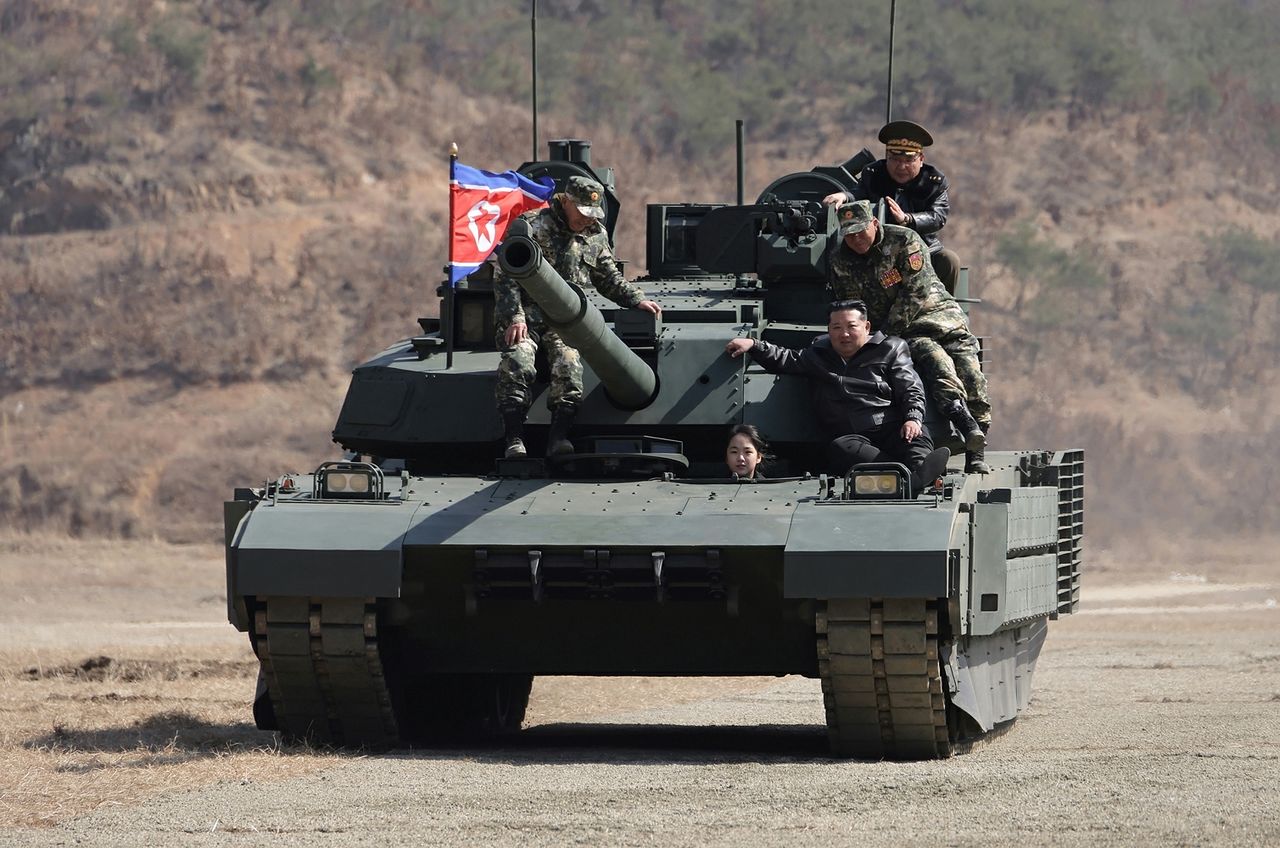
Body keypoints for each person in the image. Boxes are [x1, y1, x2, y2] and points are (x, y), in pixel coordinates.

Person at [494, 175, 661, 458]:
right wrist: (515, 317)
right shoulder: (533, 225)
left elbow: (608, 277)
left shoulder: (595, 234)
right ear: (566, 202)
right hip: (527, 316)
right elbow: (505, 275)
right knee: (517, 360)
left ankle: (558, 438)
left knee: (569, 365)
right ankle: (514, 439)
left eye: (593, 213)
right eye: (583, 212)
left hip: (564, 321)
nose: (587, 219)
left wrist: (636, 298)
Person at [825, 199, 992, 474]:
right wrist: (876, 337)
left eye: (861, 231)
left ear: (874, 224)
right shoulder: (840, 260)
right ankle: (962, 420)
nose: (856, 239)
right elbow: (852, 305)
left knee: (973, 374)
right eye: (849, 234)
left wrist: (884, 335)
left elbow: (915, 292)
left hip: (938, 317)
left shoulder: (904, 241)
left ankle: (976, 448)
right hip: (908, 332)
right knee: (937, 361)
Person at [724, 300, 949, 491]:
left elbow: (910, 387)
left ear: (866, 326)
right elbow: (785, 358)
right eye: (837, 327)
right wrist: (754, 344)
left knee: (916, 436)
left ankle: (918, 472)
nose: (844, 334)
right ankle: (906, 478)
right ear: (829, 330)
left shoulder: (891, 348)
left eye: (851, 326)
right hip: (853, 436)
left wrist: (913, 417)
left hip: (891, 426)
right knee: (842, 448)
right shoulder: (818, 355)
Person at [822, 120, 962, 295]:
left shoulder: (933, 182)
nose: (901, 167)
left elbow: (938, 217)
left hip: (922, 252)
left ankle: (942, 306)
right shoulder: (874, 174)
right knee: (888, 280)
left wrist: (907, 219)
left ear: (921, 159)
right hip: (882, 256)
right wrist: (844, 196)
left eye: (909, 160)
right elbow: (859, 193)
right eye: (895, 159)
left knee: (949, 260)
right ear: (886, 156)